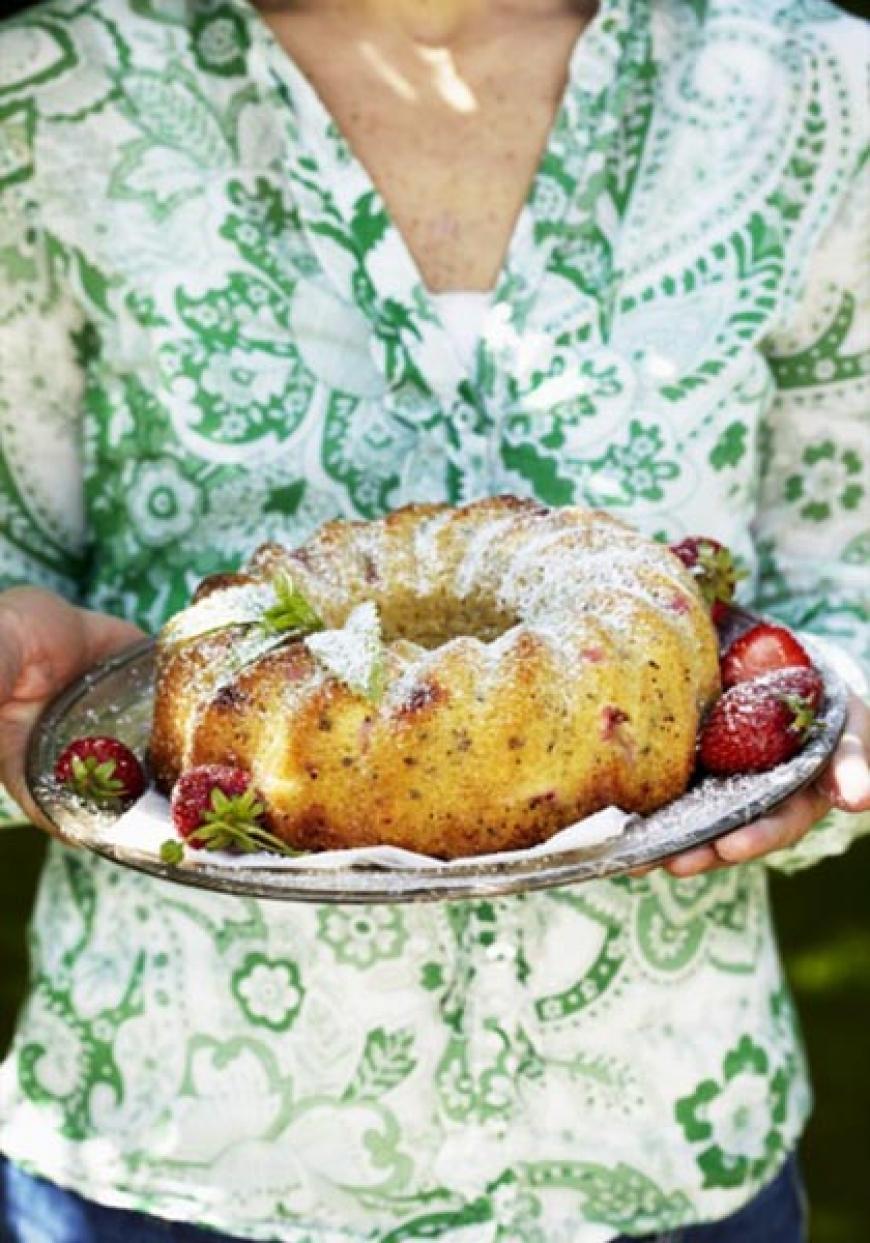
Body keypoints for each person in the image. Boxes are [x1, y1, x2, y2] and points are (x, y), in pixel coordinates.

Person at [0, 0, 868, 1239]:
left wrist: (818, 710)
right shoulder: (51, 93)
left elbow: (854, 568)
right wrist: (34, 694)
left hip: (655, 1148)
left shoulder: (807, 89)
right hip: (175, 1143)